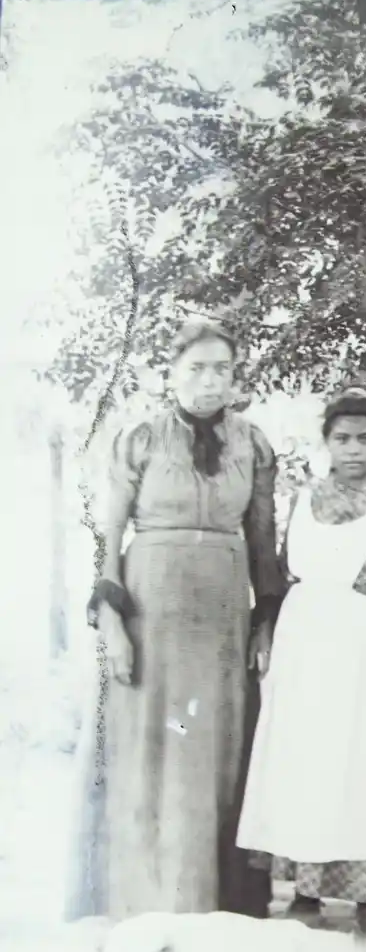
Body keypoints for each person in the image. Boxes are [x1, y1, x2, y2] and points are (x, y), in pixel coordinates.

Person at [68, 318, 283, 919]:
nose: (210, 381)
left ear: (236, 376)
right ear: (171, 374)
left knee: (212, 744)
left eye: (222, 369)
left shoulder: (254, 444)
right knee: (152, 747)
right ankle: (143, 897)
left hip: (219, 615)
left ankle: (214, 899)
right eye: (197, 368)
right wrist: (111, 621)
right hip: (150, 607)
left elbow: (263, 540)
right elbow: (107, 532)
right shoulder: (138, 438)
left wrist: (266, 620)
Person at [236, 386, 366, 933]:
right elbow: (282, 576)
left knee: (363, 768)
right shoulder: (305, 498)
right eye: (342, 438)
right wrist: (268, 635)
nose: (354, 449)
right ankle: (304, 892)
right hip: (304, 646)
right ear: (326, 442)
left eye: (365, 439)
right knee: (304, 768)